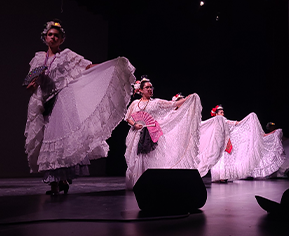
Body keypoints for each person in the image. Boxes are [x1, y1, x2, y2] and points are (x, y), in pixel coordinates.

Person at [24, 20, 135, 195]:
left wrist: (112, 64)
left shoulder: (67, 56)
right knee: (45, 142)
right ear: (44, 37)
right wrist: (32, 84)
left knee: (58, 141)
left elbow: (88, 66)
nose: (53, 37)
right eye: (50, 34)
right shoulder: (39, 59)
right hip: (44, 103)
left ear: (62, 39)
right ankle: (58, 182)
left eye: (56, 35)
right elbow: (30, 85)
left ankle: (57, 183)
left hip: (62, 102)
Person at [124, 76, 202, 189]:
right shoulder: (135, 103)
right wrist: (134, 124)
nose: (150, 89)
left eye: (151, 87)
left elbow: (173, 104)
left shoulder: (156, 103)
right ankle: (137, 183)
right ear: (140, 90)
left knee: (149, 158)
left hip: (151, 134)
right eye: (147, 87)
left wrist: (188, 99)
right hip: (136, 133)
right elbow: (128, 117)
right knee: (136, 158)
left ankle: (148, 183)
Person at [198, 105, 285, 182]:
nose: (223, 114)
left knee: (223, 159)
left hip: (224, 143)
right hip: (219, 143)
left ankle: (222, 176)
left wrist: (247, 120)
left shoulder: (222, 120)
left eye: (223, 112)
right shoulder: (218, 120)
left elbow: (234, 125)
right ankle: (221, 176)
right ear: (216, 114)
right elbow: (234, 124)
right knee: (219, 159)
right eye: (221, 112)